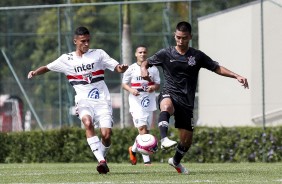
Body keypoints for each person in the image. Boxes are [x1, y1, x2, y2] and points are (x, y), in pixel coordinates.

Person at [141, 21, 249, 174]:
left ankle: (175, 161)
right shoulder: (166, 53)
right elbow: (146, 62)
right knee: (166, 106)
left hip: (186, 102)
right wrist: (143, 68)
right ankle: (164, 139)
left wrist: (236, 76)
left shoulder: (197, 56)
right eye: (178, 37)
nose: (180, 41)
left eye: (184, 38)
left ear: (190, 37)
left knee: (186, 141)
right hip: (169, 92)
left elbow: (216, 67)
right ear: (174, 36)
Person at [27, 26, 128, 174]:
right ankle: (101, 161)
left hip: (102, 100)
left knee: (106, 135)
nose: (86, 44)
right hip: (83, 100)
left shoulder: (98, 54)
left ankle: (102, 158)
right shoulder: (66, 59)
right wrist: (35, 72)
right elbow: (48, 67)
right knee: (87, 123)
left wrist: (121, 68)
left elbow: (116, 67)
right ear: (75, 41)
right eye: (83, 41)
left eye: (88, 41)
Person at [122, 45, 160, 166]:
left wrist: (153, 87)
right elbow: (124, 84)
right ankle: (147, 161)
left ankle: (132, 150)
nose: (142, 54)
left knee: (146, 131)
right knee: (142, 129)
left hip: (149, 101)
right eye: (140, 52)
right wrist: (131, 90)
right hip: (136, 103)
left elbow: (158, 84)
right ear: (136, 54)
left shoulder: (153, 69)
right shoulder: (131, 69)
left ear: (147, 53)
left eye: (144, 52)